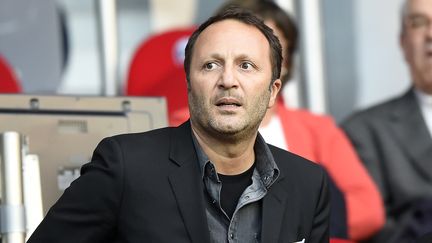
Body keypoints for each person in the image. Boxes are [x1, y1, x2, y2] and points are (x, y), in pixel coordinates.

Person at [27, 7, 330, 243]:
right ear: (188, 85)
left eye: (246, 66)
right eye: (210, 65)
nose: (227, 80)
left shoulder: (308, 184)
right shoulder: (126, 166)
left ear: (273, 91)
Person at [199, 1, 382, 241]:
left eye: (268, 53)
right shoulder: (181, 126)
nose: (233, 77)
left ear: (282, 66)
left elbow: (367, 209)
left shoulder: (317, 130)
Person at [342, 0, 432, 242]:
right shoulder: (363, 131)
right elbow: (374, 229)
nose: (431, 34)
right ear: (403, 42)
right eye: (419, 22)